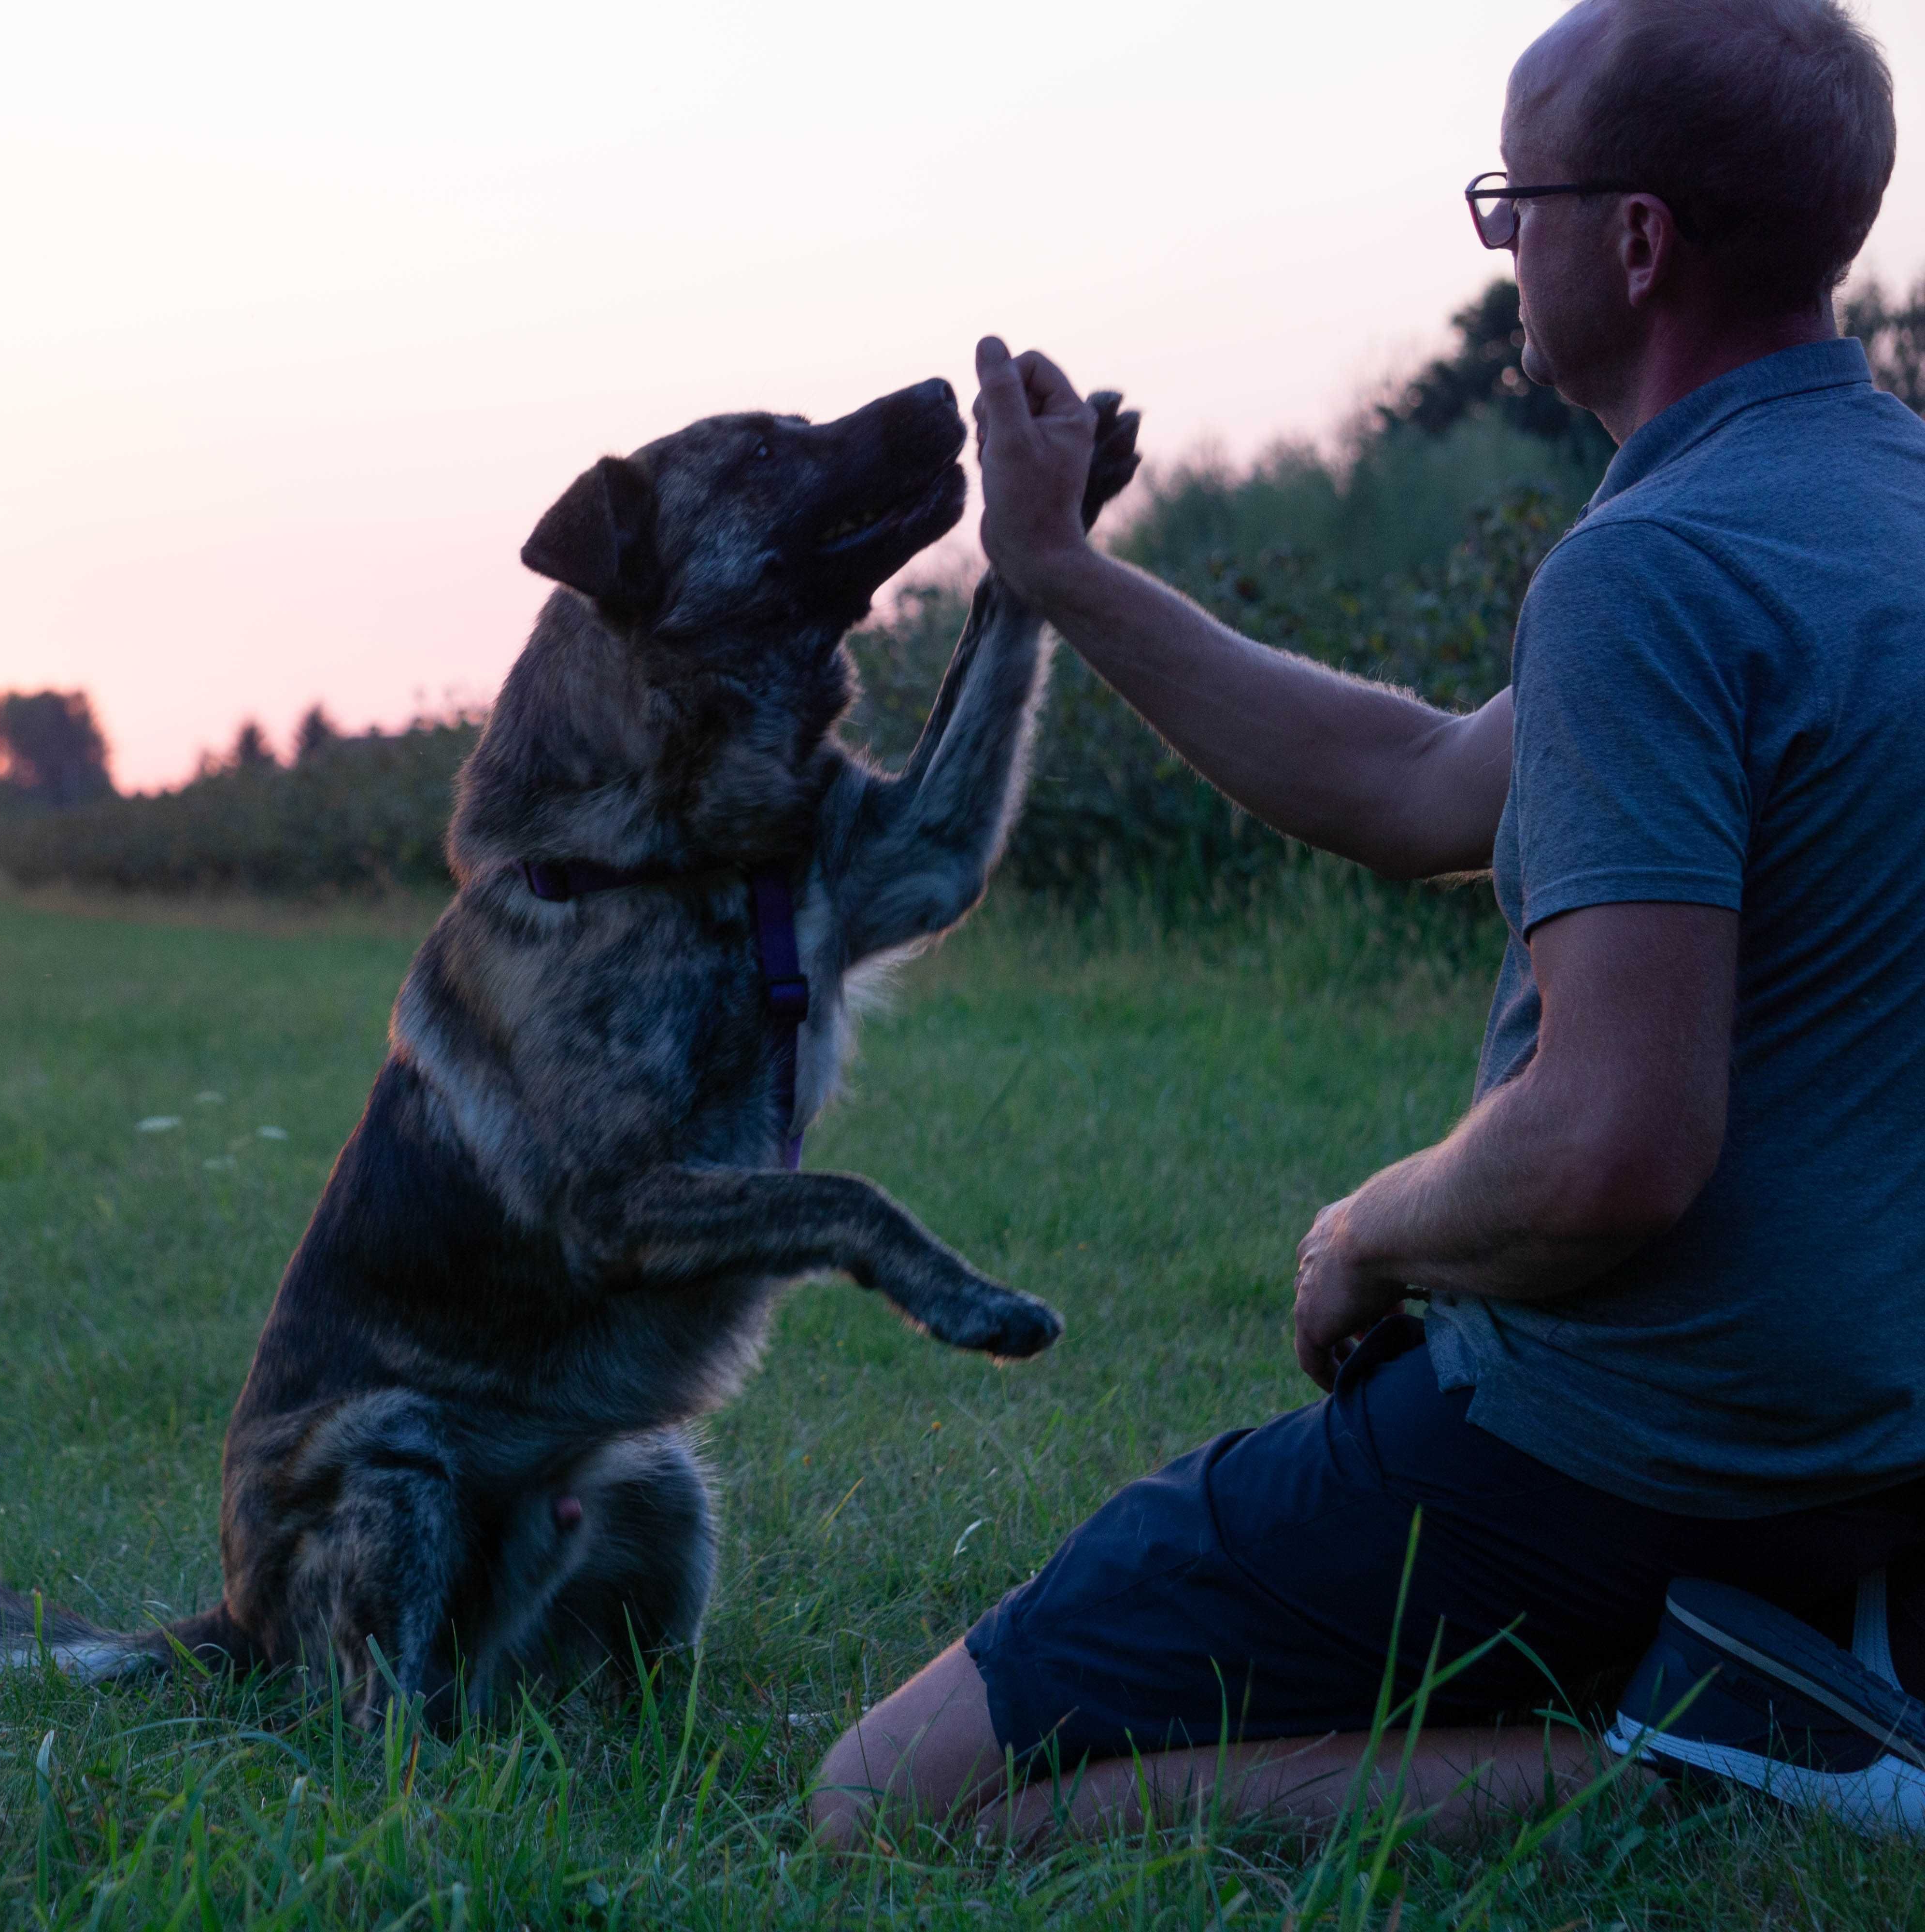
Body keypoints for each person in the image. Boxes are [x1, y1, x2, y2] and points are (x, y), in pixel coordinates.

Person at [813, 0, 1925, 1847]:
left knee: (894, 1807)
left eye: (1516, 205)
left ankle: (1723, 1764)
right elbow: (1419, 787)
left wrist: (1371, 1233)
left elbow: (1611, 1150)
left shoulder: (1651, 575)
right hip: (1872, 1439)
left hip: (1629, 1448)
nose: (1502, 258)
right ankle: (1818, 1649)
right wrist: (1064, 574)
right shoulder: (1860, 529)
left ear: (1636, 242)